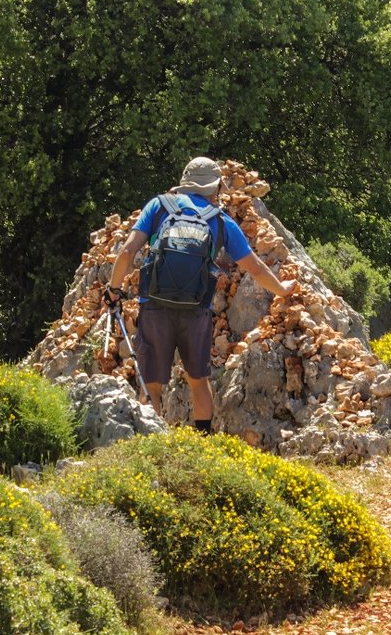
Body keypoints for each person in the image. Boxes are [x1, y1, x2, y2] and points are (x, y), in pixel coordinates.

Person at [106, 157, 295, 433]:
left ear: (185, 184)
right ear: (215, 187)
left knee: (151, 383)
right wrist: (282, 289)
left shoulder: (159, 206)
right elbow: (254, 267)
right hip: (196, 311)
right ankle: (202, 444)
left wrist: (113, 290)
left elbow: (127, 252)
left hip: (155, 306)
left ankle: (149, 444)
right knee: (198, 380)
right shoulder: (220, 221)